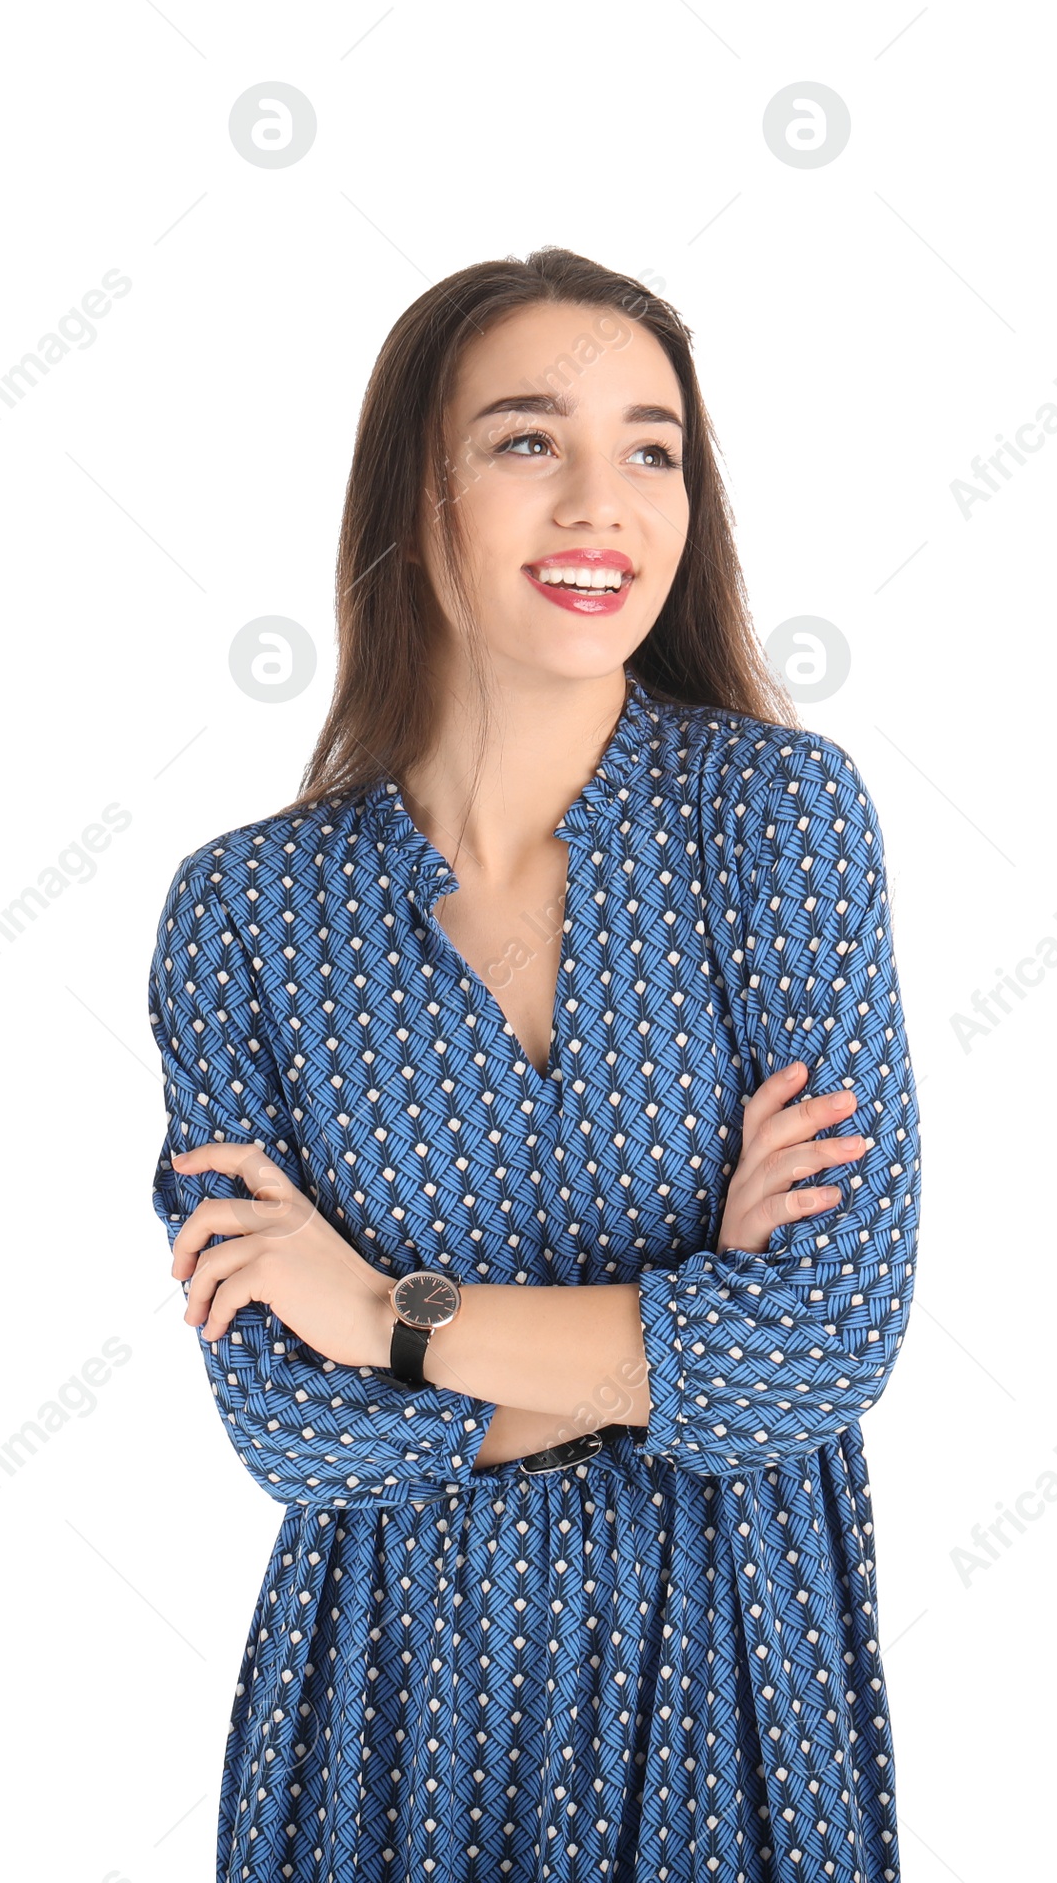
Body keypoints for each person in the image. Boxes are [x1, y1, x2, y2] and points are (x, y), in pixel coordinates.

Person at [147, 246, 922, 1882]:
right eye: (526, 440)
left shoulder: (777, 822)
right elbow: (295, 1433)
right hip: (386, 1713)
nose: (604, 503)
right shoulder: (243, 917)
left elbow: (822, 1346)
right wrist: (680, 1319)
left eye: (653, 448)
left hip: (730, 1686)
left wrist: (385, 1315)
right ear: (413, 497)